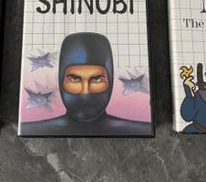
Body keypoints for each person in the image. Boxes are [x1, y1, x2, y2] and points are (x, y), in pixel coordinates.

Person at [20, 32, 152, 136]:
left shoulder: (143, 131)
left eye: (96, 79)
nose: (85, 91)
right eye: (74, 79)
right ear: (61, 79)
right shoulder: (29, 130)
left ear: (111, 79)